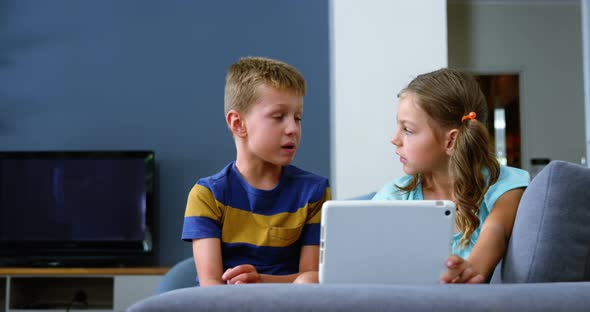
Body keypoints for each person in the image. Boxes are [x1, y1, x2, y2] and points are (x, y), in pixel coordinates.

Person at [181, 56, 331, 286]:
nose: (293, 128)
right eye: (278, 117)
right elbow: (210, 285)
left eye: (297, 117)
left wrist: (261, 281)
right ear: (238, 124)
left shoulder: (315, 191)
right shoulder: (207, 196)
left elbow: (311, 278)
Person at [372, 68, 529, 283]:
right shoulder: (392, 196)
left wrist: (471, 269)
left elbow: (497, 230)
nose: (394, 138)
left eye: (407, 130)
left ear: (451, 141)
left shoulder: (504, 185)